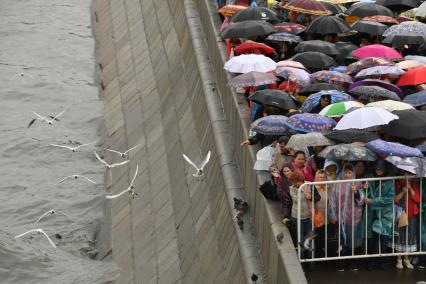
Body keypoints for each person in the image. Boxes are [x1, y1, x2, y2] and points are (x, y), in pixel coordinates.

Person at [329, 164, 366, 271]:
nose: (347, 174)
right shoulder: (337, 184)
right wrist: (332, 215)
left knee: (353, 240)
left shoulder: (357, 183)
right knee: (341, 241)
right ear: (342, 173)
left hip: (354, 217)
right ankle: (341, 263)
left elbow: (361, 200)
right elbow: (332, 200)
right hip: (340, 217)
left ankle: (352, 263)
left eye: (350, 172)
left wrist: (356, 191)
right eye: (346, 172)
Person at [363, 160, 395, 271]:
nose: (378, 170)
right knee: (374, 239)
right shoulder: (370, 178)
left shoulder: (390, 181)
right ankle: (372, 262)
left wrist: (373, 201)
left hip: (386, 215)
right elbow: (366, 195)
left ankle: (380, 262)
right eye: (377, 168)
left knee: (384, 239)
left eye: (380, 168)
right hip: (374, 214)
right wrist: (365, 188)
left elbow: (389, 199)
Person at [282, 171, 320, 258]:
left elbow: (318, 198)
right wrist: (286, 217)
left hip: (309, 217)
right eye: (292, 182)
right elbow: (287, 204)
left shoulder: (309, 186)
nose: (294, 184)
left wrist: (310, 197)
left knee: (310, 240)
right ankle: (302, 260)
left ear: (301, 180)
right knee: (300, 240)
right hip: (296, 217)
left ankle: (311, 262)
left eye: (296, 181)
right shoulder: (290, 189)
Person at [393, 171, 421, 270]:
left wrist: (410, 189)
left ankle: (406, 258)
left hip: (411, 214)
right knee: (399, 235)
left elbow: (418, 199)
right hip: (400, 213)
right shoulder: (398, 183)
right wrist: (403, 191)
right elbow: (395, 199)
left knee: (409, 236)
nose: (408, 176)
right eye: (406, 174)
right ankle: (399, 259)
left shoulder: (414, 185)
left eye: (410, 174)